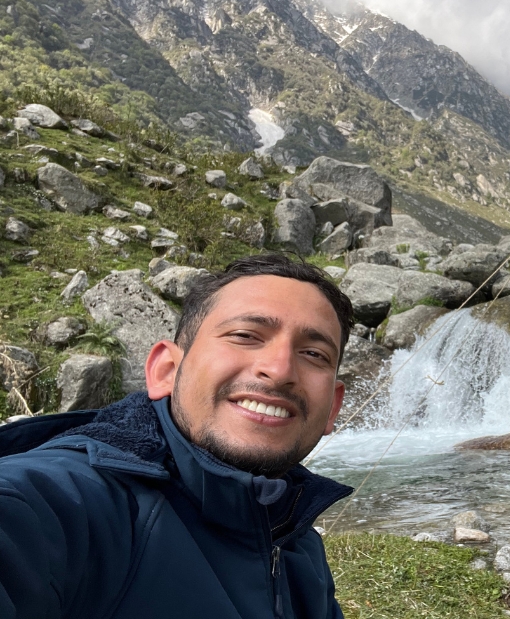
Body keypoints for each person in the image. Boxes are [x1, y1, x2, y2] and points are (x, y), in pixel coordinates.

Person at [0, 253, 355, 618]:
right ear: (166, 371)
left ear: (332, 408)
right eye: (245, 335)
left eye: (314, 353)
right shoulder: (60, 503)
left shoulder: (292, 530)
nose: (280, 370)